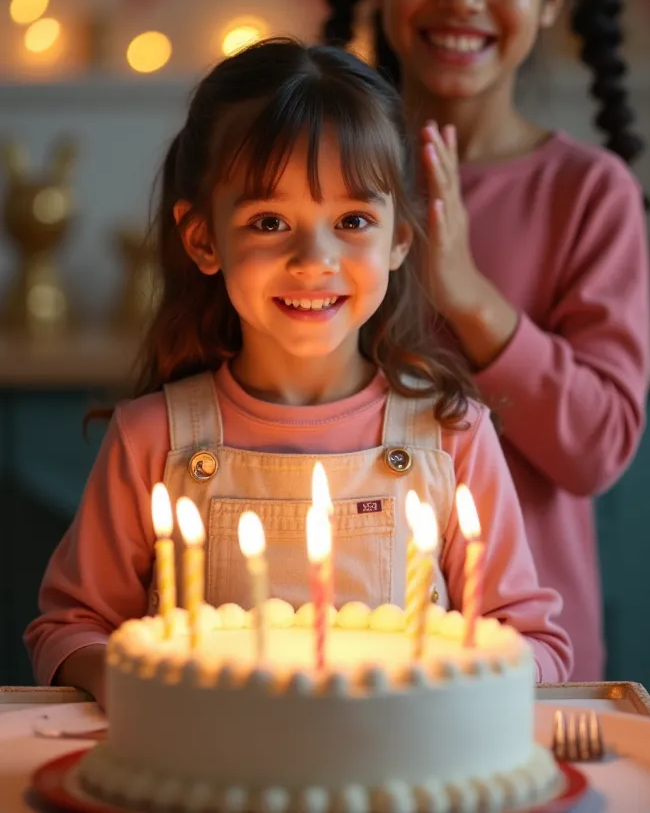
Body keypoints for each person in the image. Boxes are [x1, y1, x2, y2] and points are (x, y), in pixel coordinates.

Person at [24, 40, 571, 707]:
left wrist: (472, 688)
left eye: (352, 221)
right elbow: (70, 626)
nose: (315, 259)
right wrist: (136, 686)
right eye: (270, 221)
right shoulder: (152, 441)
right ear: (202, 238)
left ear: (400, 236)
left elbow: (535, 642)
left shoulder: (451, 436)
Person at [322, 0, 650, 681]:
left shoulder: (588, 195)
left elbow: (599, 447)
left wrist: (468, 295)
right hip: (329, 636)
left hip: (522, 666)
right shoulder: (318, 178)